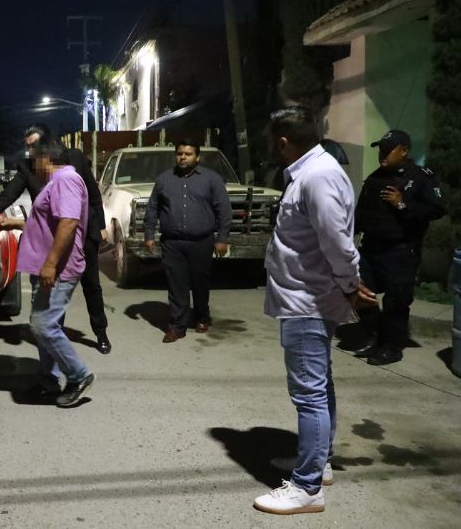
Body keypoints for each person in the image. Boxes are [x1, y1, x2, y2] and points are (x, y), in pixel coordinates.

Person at [254, 106, 377, 515]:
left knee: (308, 394)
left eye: (273, 142)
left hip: (307, 300)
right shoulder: (312, 172)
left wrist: (350, 286)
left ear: (284, 141)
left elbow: (337, 242)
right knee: (319, 387)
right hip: (304, 298)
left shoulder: (318, 176)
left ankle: (307, 487)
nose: (271, 148)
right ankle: (318, 464)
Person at [0, 125, 112, 354]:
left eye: (34, 144)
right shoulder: (27, 167)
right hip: (50, 238)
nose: (31, 150)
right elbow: (7, 197)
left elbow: (93, 193)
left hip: (83, 231)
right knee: (51, 288)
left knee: (91, 285)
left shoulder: (73, 158)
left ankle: (100, 332)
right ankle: (55, 339)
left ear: (47, 142)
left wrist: (101, 227)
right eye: (28, 146)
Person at [0, 142, 95, 407]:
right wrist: (16, 223)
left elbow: (69, 222)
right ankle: (48, 379)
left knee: (43, 325)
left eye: (33, 162)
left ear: (44, 159)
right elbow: (50, 221)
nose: (32, 168)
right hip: (47, 268)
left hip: (59, 269)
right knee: (47, 325)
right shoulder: (57, 182)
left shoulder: (66, 180)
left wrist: (51, 263)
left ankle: (78, 374)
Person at [352, 130, 447, 365]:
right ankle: (375, 338)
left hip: (401, 250)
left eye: (388, 150)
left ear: (403, 151)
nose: (382, 155)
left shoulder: (421, 177)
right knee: (361, 293)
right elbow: (361, 213)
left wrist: (402, 204)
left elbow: (436, 210)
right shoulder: (376, 177)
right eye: (380, 150)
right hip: (371, 248)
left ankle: (391, 347)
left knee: (396, 301)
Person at [142, 139, 232, 343]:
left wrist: (223, 238)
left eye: (188, 153)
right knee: (176, 285)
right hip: (172, 242)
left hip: (201, 241)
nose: (183, 157)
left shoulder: (211, 179)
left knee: (200, 283)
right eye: (180, 153)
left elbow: (223, 210)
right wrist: (149, 235)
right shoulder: (165, 179)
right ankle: (177, 326)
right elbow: (153, 208)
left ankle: (202, 316)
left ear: (197, 157)